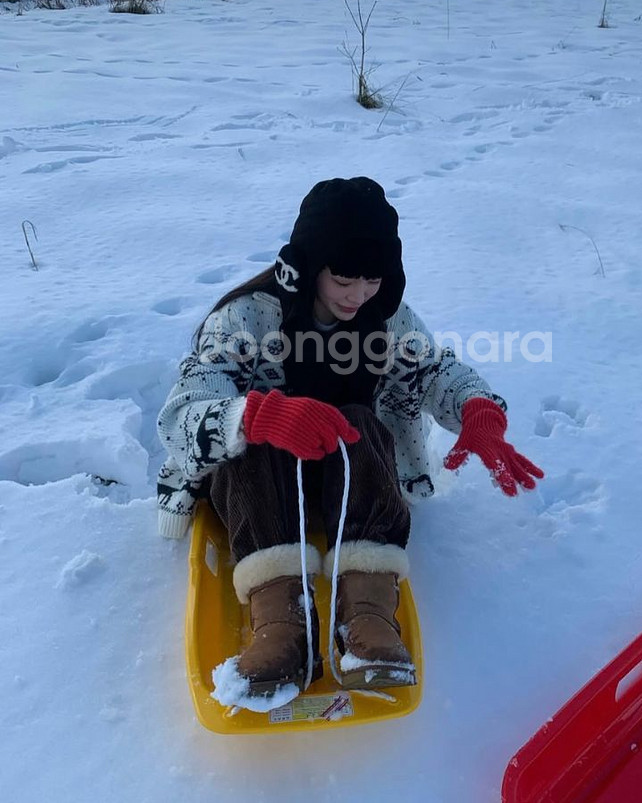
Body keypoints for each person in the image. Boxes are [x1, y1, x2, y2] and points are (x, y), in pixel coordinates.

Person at [156, 177, 543, 702]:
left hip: (358, 485)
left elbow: (434, 370)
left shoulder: (386, 319)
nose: (358, 295)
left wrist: (477, 409)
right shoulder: (247, 319)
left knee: (359, 418)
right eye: (343, 278)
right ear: (312, 264)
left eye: (372, 280)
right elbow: (182, 410)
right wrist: (258, 416)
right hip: (264, 491)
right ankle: (280, 622)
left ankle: (366, 612)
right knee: (254, 442)